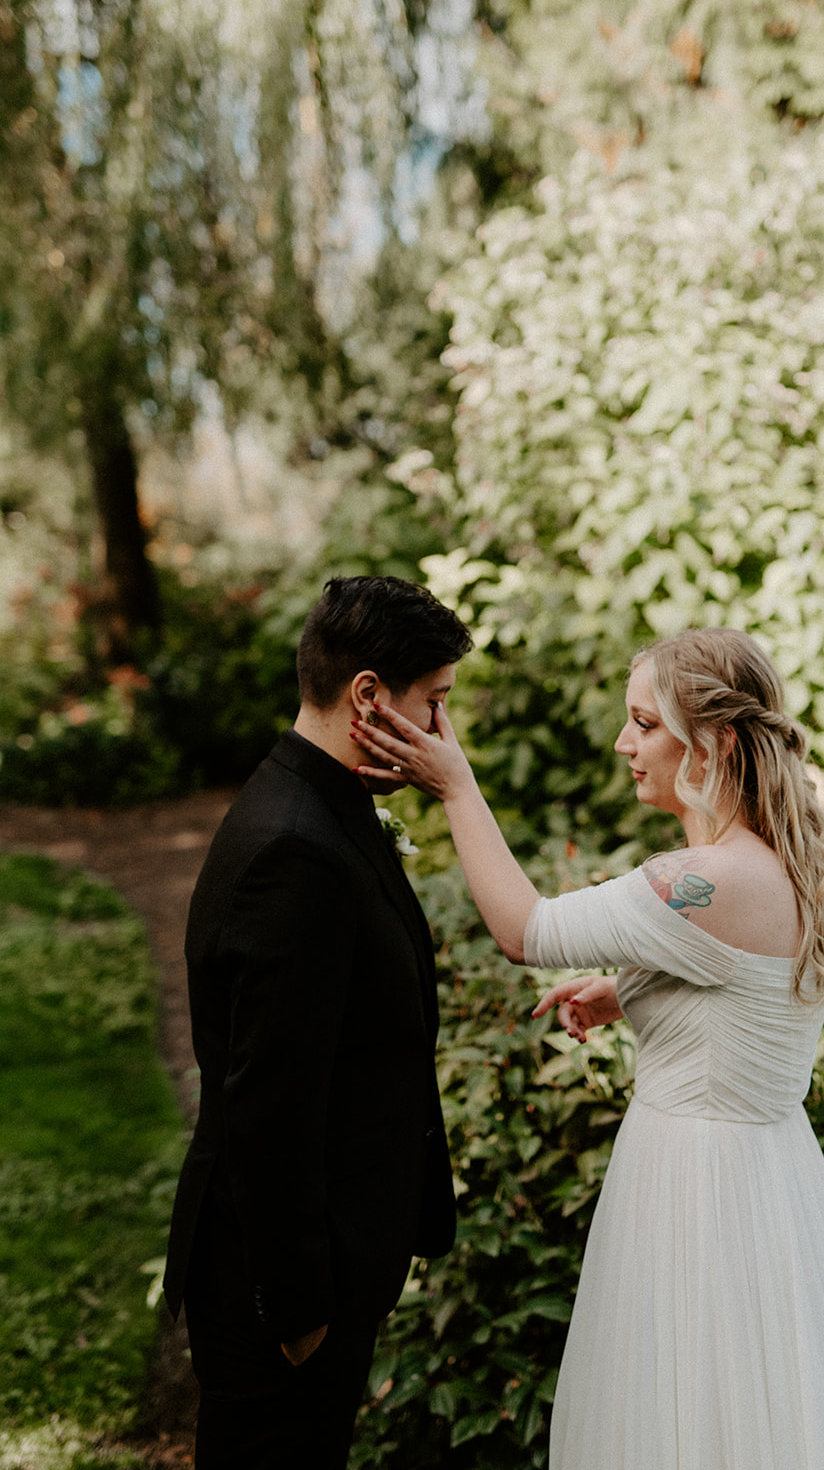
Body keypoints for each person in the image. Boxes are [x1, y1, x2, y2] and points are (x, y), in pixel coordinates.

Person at [353, 625, 824, 1470]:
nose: (625, 743)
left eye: (646, 723)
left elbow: (527, 930)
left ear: (715, 742)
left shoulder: (692, 883)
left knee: (690, 1417)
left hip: (696, 1192)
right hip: (771, 1177)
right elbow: (745, 996)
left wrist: (458, 790)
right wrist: (632, 992)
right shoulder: (771, 861)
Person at [162, 574, 472, 1470]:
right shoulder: (294, 850)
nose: (444, 736)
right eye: (434, 705)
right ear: (368, 696)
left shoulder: (323, 805)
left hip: (330, 1262)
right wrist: (300, 1312)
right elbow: (270, 1100)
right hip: (280, 1290)